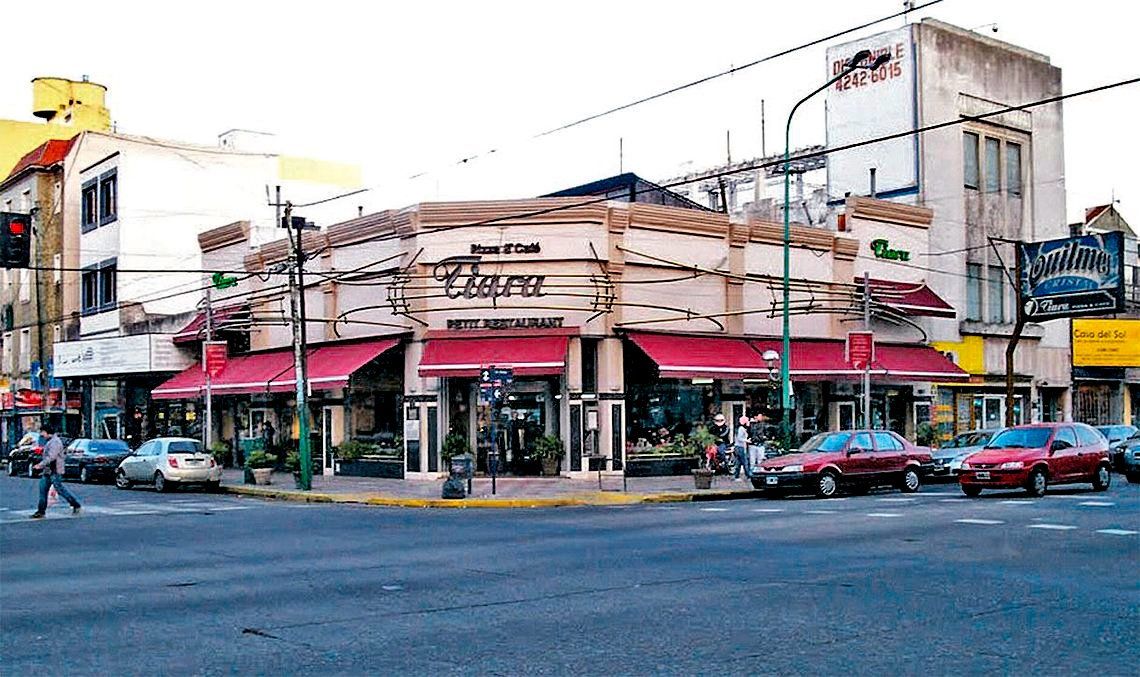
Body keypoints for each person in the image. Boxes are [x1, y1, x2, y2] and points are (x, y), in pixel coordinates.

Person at [30, 423, 81, 518]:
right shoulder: (50, 441)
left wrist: (40, 465)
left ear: (47, 432)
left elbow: (51, 457)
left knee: (60, 490)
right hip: (48, 471)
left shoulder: (55, 442)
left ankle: (75, 504)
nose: (41, 434)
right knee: (43, 490)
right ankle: (41, 511)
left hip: (55, 471)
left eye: (42, 432)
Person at [733, 416, 752, 481]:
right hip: (740, 447)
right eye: (747, 421)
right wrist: (746, 440)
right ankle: (748, 476)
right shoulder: (741, 429)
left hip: (738, 447)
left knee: (738, 462)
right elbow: (739, 438)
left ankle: (737, 476)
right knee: (744, 462)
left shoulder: (741, 428)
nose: (748, 422)